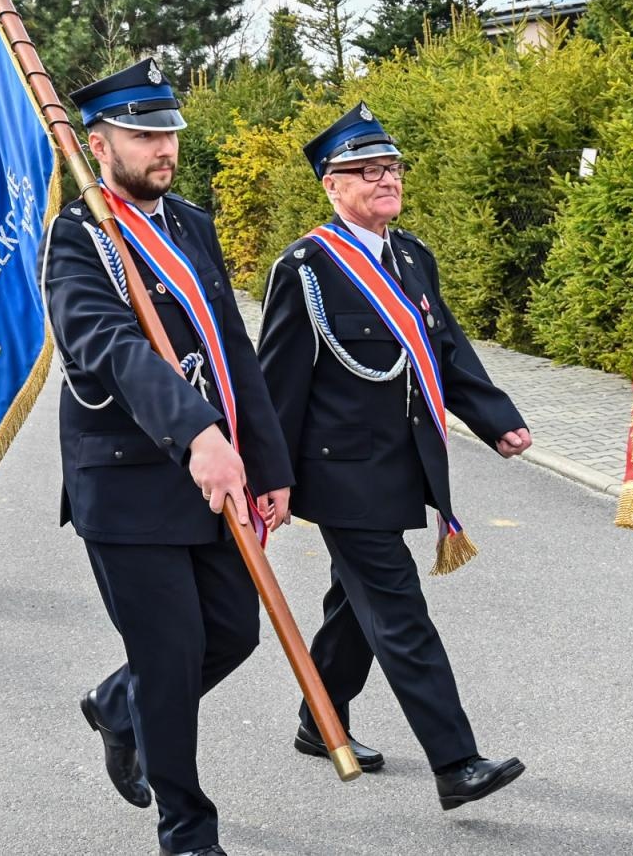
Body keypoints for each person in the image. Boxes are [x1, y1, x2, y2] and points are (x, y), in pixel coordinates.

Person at [39, 59, 291, 856]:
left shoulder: (189, 224)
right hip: (127, 480)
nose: (164, 148)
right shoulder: (78, 236)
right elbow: (111, 346)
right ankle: (187, 827)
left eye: (169, 133)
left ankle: (119, 706)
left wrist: (272, 464)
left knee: (232, 633)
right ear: (98, 143)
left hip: (213, 470)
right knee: (171, 656)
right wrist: (198, 434)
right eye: (145, 134)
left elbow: (233, 351)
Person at [256, 103, 532, 810]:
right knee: (398, 612)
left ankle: (321, 720)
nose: (386, 180)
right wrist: (272, 478)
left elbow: (446, 346)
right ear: (332, 186)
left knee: (356, 606)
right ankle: (456, 762)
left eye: (392, 167)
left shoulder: (411, 256)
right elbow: (278, 385)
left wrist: (495, 418)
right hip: (340, 473)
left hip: (402, 463)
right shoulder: (307, 268)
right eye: (367, 171)